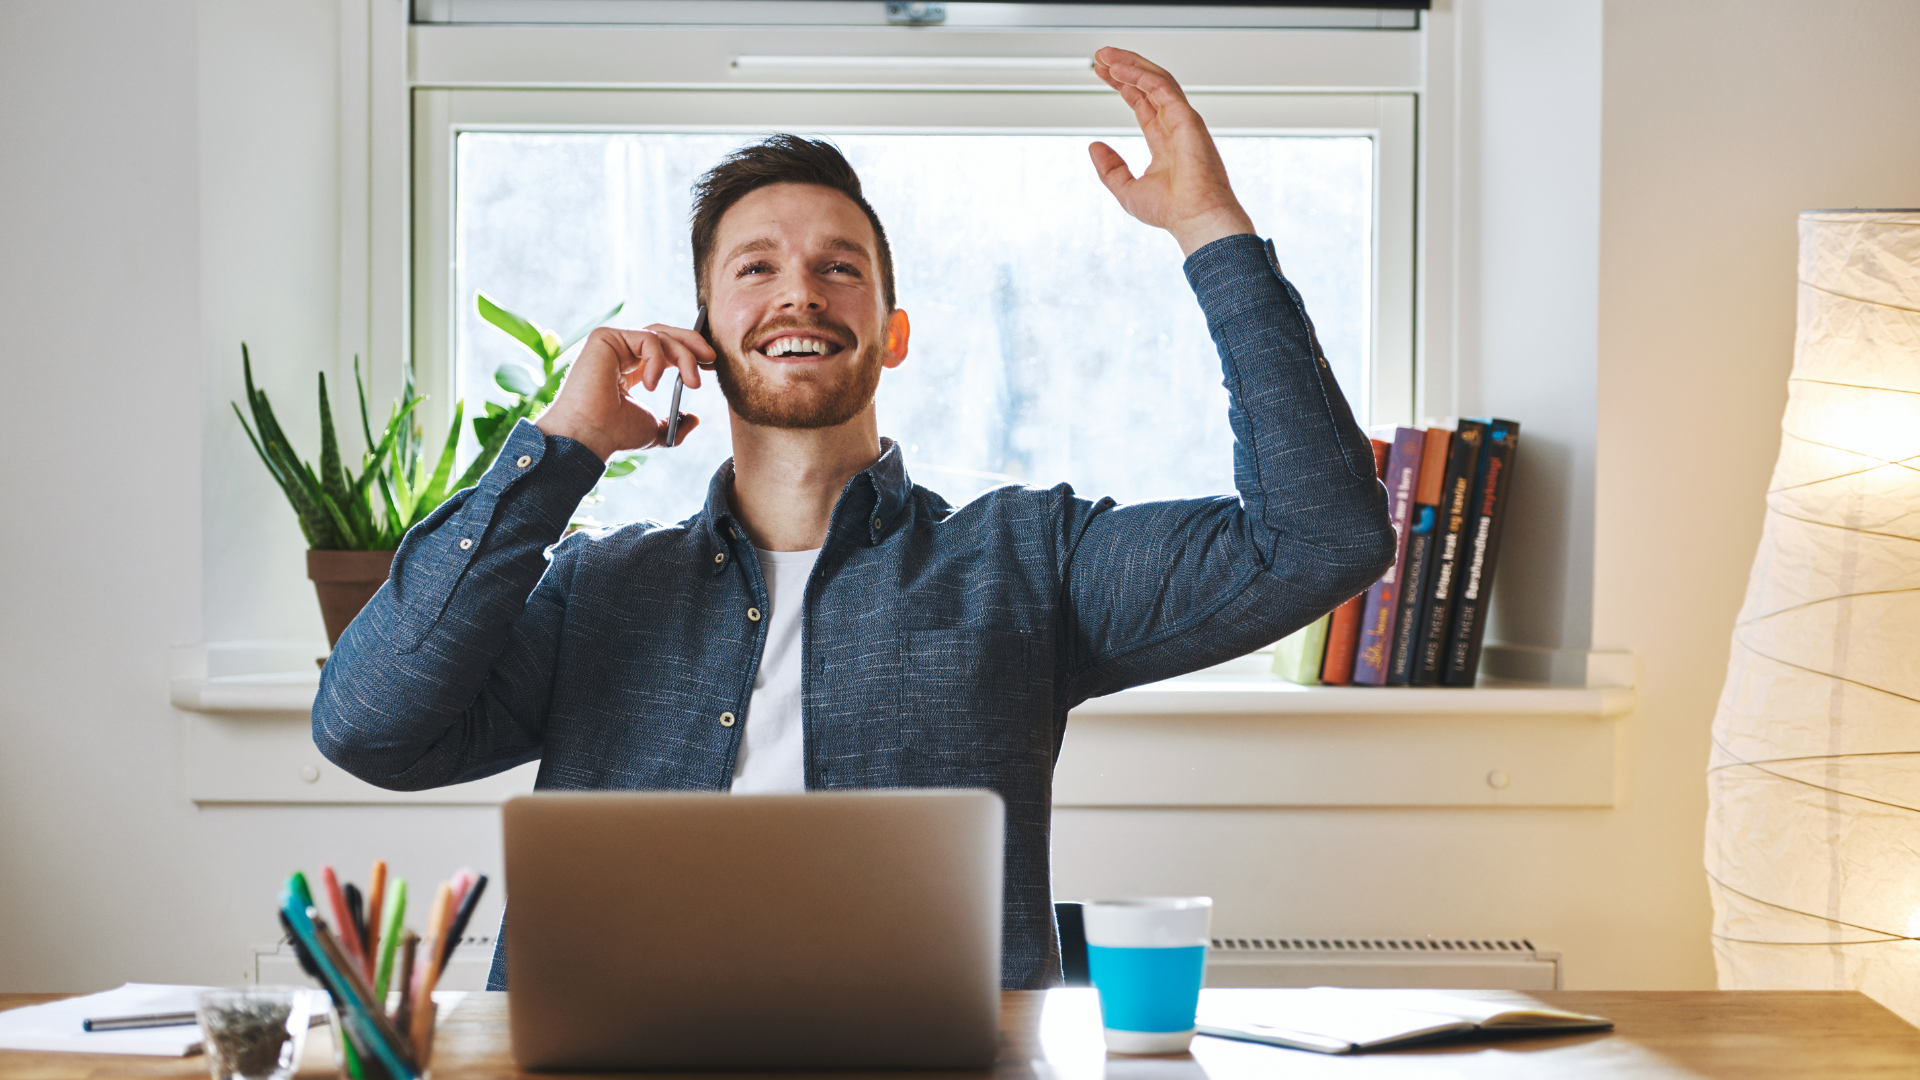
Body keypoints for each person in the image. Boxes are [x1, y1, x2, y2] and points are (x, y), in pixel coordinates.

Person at [313, 47, 1395, 991]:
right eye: (757, 269)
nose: (801, 294)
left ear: (893, 333)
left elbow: (1321, 537)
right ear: (704, 332)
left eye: (840, 269)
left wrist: (1209, 227)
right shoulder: (598, 591)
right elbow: (367, 726)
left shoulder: (1025, 562)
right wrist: (562, 449)